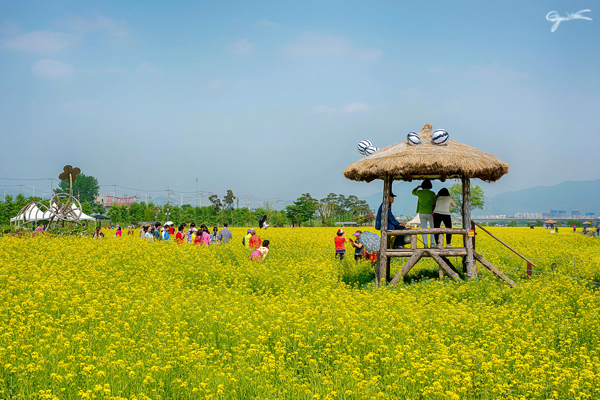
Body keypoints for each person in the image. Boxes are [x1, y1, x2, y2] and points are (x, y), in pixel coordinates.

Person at [412, 179, 435, 248]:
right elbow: (435, 202)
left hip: (421, 212)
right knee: (432, 228)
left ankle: (425, 244)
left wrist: (417, 187)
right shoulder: (432, 193)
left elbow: (413, 192)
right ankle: (432, 243)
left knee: (424, 228)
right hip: (430, 212)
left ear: (422, 186)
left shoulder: (419, 192)